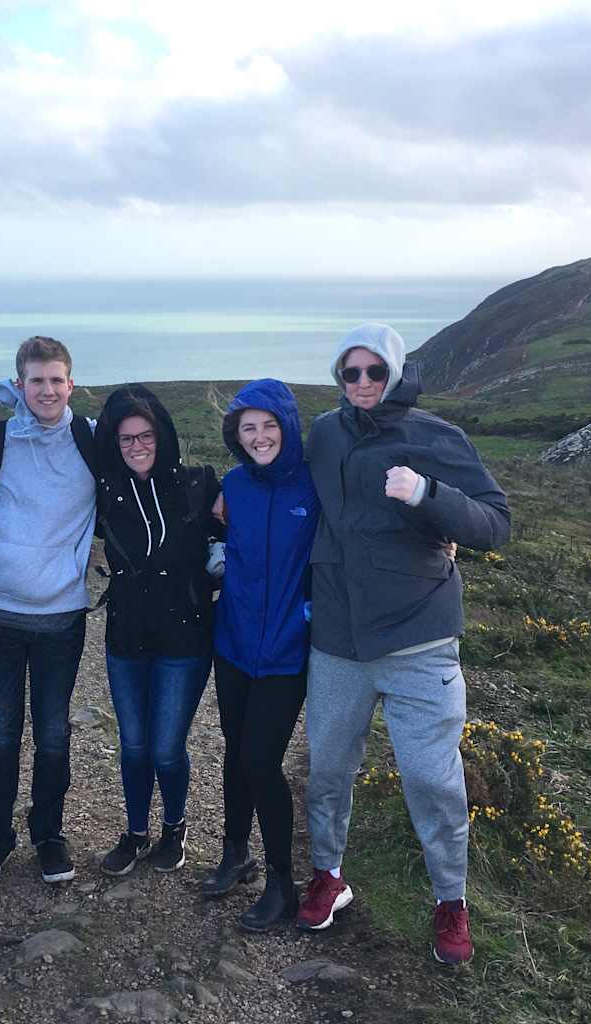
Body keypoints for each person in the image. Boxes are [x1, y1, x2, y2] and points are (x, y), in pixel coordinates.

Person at [299, 323, 510, 965]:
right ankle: (328, 876)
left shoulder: (435, 438)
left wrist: (429, 496)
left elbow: (495, 524)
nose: (361, 384)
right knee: (328, 770)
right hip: (338, 637)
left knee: (431, 779)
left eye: (373, 372)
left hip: (420, 637)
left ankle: (451, 900)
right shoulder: (325, 434)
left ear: (394, 372)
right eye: (349, 373)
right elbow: (290, 486)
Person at [0, 336, 98, 884]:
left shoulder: (90, 440)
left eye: (57, 380)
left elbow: (140, 471)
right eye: (37, 381)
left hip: (61, 615)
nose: (48, 390)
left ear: (71, 385)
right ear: (19, 385)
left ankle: (49, 835)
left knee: (54, 733)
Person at [202, 379, 318, 931]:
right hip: (234, 643)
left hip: (287, 653)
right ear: (237, 435)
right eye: (248, 428)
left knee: (261, 761)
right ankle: (235, 853)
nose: (260, 436)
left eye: (269, 425)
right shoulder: (233, 485)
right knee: (234, 750)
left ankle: (281, 883)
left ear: (288, 426)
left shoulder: (315, 487)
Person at [92, 385, 220, 876]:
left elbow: (243, 524)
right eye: (126, 440)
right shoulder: (105, 489)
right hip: (126, 633)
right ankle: (136, 832)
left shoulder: (198, 482)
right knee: (135, 744)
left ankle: (174, 826)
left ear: (162, 436)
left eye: (145, 436)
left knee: (167, 746)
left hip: (185, 635)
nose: (137, 446)